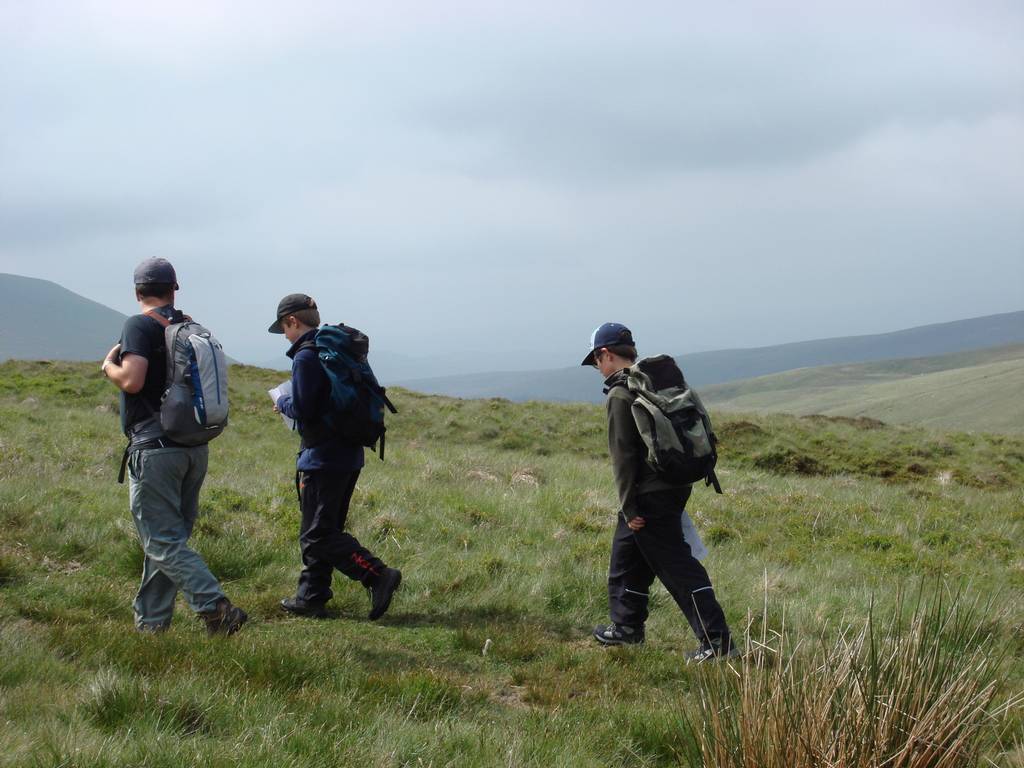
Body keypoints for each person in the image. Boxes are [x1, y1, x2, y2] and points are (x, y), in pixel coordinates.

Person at [101, 258, 247, 635]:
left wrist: (108, 368)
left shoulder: (139, 325)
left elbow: (132, 381)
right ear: (174, 289)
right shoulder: (188, 326)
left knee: (161, 538)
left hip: (155, 450)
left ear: (137, 292)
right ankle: (152, 625)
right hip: (194, 448)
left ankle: (215, 606)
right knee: (167, 539)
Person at [582, 322, 737, 662]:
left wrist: (628, 507)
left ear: (605, 354)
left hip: (648, 495)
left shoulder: (621, 394)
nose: (596, 367)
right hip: (674, 486)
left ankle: (717, 643)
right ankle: (626, 627)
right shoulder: (652, 383)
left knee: (677, 568)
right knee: (626, 557)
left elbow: (622, 457)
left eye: (595, 359)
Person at [269, 293, 401, 620]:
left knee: (318, 535)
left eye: (284, 329)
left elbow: (302, 408)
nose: (285, 335)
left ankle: (377, 574)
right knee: (321, 528)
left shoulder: (306, 356)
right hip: (348, 453)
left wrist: (282, 404)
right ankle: (311, 597)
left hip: (322, 458)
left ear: (292, 321)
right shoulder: (336, 350)